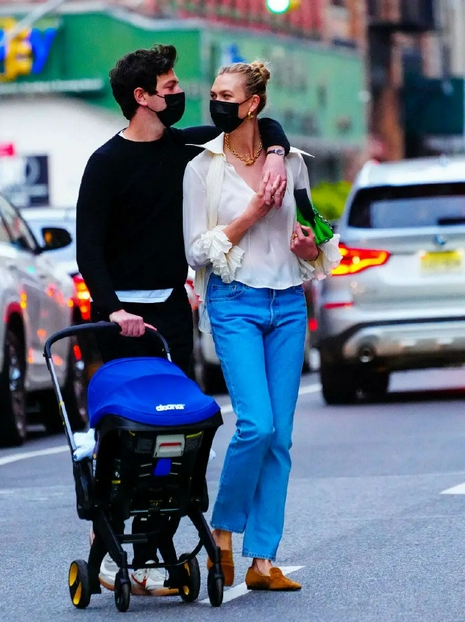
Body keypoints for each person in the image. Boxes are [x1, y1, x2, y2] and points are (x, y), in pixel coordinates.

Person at [76, 44, 292, 596]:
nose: (180, 92)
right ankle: (115, 552)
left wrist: (274, 152)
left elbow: (261, 122)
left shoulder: (187, 147)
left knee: (174, 434)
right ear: (141, 97)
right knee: (128, 437)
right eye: (168, 85)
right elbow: (89, 250)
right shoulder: (105, 164)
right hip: (122, 319)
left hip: (171, 313)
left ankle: (154, 550)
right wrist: (113, 308)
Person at [183, 61, 341, 591]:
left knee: (282, 438)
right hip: (233, 303)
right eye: (213, 94)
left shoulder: (290, 162)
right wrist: (249, 214)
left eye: (226, 95)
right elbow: (195, 250)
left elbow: (314, 232)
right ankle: (224, 533)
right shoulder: (202, 169)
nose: (215, 102)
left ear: (252, 104)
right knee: (256, 424)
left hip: (288, 304)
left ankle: (263, 560)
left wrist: (309, 245)